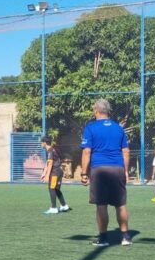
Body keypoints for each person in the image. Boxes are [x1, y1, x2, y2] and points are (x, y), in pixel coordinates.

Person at [80, 99, 131, 247]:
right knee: (120, 204)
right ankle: (126, 237)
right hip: (117, 168)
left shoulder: (90, 127)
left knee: (101, 205)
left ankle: (103, 238)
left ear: (96, 111)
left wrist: (84, 173)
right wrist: (125, 171)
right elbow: (126, 152)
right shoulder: (118, 128)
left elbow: (87, 151)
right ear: (108, 111)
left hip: (99, 169)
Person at [40, 135, 70, 214]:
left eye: (42, 142)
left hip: (55, 173)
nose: (41, 144)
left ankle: (53, 208)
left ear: (45, 143)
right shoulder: (52, 149)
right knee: (56, 189)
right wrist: (44, 173)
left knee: (52, 188)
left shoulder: (50, 151)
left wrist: (47, 175)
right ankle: (64, 206)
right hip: (58, 171)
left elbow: (50, 164)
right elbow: (48, 162)